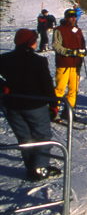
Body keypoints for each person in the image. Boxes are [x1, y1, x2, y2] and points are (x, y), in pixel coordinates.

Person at [0, 29, 62, 181]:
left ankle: (31, 167)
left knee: (25, 138)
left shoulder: (4, 58)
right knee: (43, 136)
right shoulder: (38, 61)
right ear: (30, 42)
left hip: (12, 104)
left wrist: (2, 86)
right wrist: (54, 104)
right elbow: (47, 85)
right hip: (34, 105)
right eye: (35, 39)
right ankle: (39, 169)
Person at [52, 8, 87, 119]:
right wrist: (69, 52)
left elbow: (82, 44)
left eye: (74, 16)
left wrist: (83, 51)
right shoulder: (59, 30)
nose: (73, 18)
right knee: (59, 89)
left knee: (73, 89)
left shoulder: (78, 30)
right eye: (71, 16)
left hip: (76, 64)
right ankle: (53, 111)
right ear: (66, 18)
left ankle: (68, 112)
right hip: (64, 63)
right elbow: (56, 46)